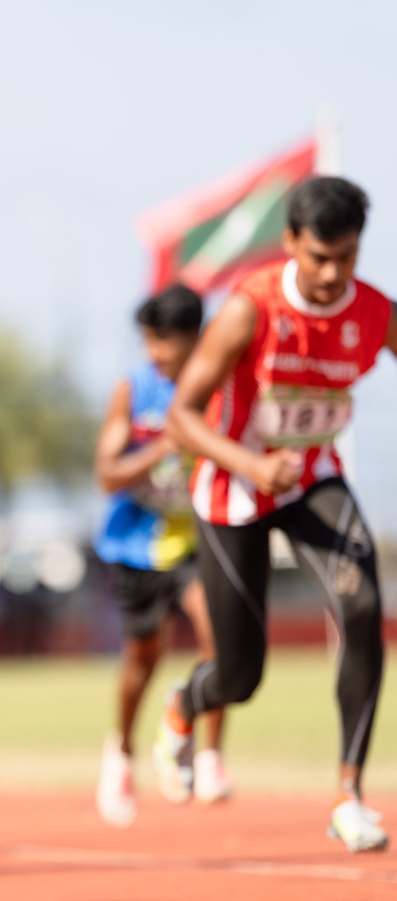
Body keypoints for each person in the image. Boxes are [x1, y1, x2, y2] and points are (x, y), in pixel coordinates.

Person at [159, 176, 393, 853]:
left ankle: (349, 795)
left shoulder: (376, 311)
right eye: (318, 256)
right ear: (290, 243)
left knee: (360, 608)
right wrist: (253, 464)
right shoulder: (250, 309)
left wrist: (285, 466)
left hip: (313, 478)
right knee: (242, 676)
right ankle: (184, 704)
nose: (330, 273)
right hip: (236, 487)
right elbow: (181, 417)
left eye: (346, 257)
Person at [93, 284, 226, 829]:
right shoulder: (134, 390)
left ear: (197, 339)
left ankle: (210, 753)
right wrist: (166, 445)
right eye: (148, 340)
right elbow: (107, 474)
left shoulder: (221, 388)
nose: (155, 353)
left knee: (220, 639)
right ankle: (120, 752)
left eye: (166, 341)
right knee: (143, 659)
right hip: (138, 544)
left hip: (199, 540)